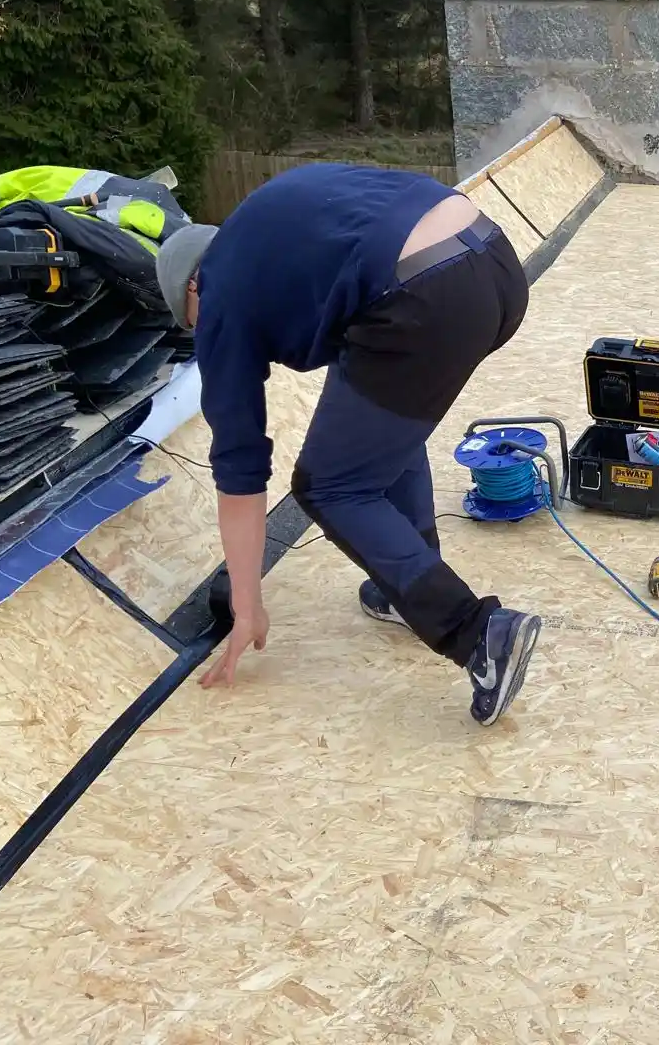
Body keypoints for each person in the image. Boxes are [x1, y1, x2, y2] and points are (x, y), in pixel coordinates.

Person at [154, 163, 540, 726]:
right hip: (495, 262)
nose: (200, 333)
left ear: (192, 289)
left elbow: (239, 467)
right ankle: (408, 587)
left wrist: (247, 601)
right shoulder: (268, 234)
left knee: (330, 485)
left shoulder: (220, 293)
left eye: (191, 323)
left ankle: (478, 632)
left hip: (425, 294)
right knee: (380, 427)